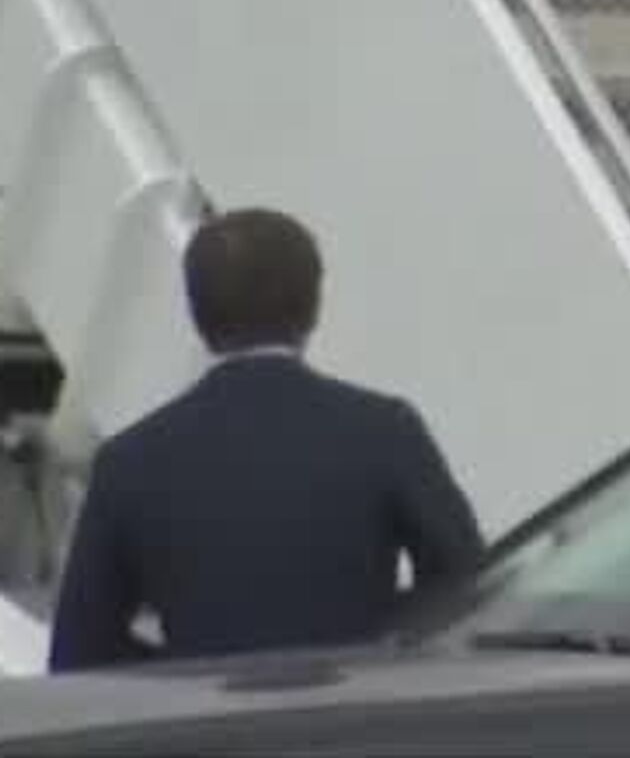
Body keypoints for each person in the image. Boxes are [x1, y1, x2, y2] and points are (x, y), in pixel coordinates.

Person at [49, 208, 483, 669]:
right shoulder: (385, 429)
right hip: (361, 701)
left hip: (202, 710)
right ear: (313, 307)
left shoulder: (129, 461)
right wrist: (379, 635)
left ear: (196, 313)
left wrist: (182, 668)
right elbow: (467, 588)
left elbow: (79, 651)